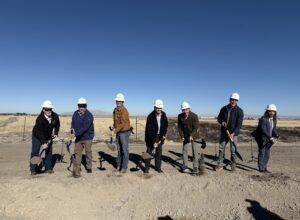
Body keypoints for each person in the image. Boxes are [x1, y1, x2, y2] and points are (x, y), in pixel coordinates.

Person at [30, 100, 60, 175]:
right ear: (43, 109)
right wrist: (43, 142)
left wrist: (56, 133)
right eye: (46, 109)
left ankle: (48, 168)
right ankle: (33, 169)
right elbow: (39, 132)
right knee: (35, 152)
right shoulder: (40, 119)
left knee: (49, 152)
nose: (48, 111)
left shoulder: (55, 116)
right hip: (37, 136)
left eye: (50, 109)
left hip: (48, 136)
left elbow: (57, 125)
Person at [215, 93, 244, 172]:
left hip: (233, 134)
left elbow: (239, 125)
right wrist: (222, 122)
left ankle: (233, 165)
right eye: (232, 100)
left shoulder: (240, 111)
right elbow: (219, 118)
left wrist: (233, 133)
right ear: (230, 99)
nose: (233, 101)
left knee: (233, 150)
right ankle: (219, 164)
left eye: (235, 100)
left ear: (237, 101)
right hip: (224, 132)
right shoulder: (224, 108)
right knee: (221, 149)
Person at [71, 98, 94, 178]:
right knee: (77, 153)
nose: (81, 108)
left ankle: (89, 167)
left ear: (86, 106)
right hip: (78, 138)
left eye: (83, 106)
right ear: (78, 106)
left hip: (87, 137)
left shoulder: (89, 115)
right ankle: (77, 169)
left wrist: (75, 134)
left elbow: (85, 128)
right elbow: (73, 123)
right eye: (80, 106)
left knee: (88, 152)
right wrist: (72, 130)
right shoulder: (75, 113)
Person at [253, 104, 279, 173]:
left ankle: (264, 167)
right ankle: (261, 168)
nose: (271, 113)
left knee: (267, 154)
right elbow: (263, 130)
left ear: (275, 112)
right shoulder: (263, 119)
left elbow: (274, 129)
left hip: (269, 139)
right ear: (267, 111)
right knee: (262, 153)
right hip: (261, 139)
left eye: (273, 111)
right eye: (270, 111)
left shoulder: (274, 120)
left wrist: (276, 135)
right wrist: (271, 138)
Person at [144, 99, 168, 173]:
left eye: (160, 108)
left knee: (158, 153)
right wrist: (153, 142)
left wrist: (163, 135)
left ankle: (158, 167)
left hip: (160, 136)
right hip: (150, 137)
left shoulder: (163, 115)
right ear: (154, 107)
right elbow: (150, 131)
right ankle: (146, 168)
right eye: (157, 108)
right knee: (149, 153)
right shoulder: (150, 117)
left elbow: (165, 125)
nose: (159, 109)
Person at [177, 101, 201, 175]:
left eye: (186, 109)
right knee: (185, 150)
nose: (185, 111)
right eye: (183, 110)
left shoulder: (194, 116)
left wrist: (191, 136)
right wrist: (182, 136)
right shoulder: (180, 116)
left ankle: (195, 167)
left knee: (195, 151)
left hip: (195, 136)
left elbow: (196, 127)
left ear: (189, 108)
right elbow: (179, 128)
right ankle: (185, 166)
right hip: (186, 136)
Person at [110, 93, 131, 173]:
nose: (118, 102)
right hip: (118, 132)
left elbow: (122, 124)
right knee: (119, 150)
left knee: (124, 150)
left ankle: (124, 167)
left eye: (120, 101)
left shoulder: (124, 111)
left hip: (124, 132)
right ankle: (118, 166)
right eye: (117, 101)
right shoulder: (115, 110)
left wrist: (114, 131)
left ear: (122, 102)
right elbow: (116, 122)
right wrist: (113, 127)